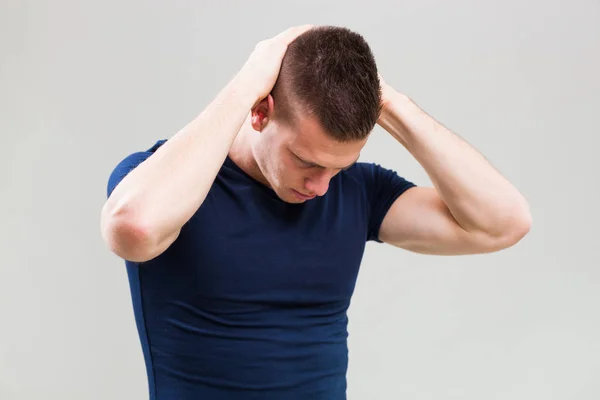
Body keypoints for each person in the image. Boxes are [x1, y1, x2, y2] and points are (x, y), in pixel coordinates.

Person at [101, 25, 531, 400]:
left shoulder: (359, 191)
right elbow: (133, 229)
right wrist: (248, 82)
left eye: (338, 167)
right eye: (306, 162)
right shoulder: (163, 182)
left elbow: (505, 222)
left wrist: (391, 105)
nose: (321, 187)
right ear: (260, 112)